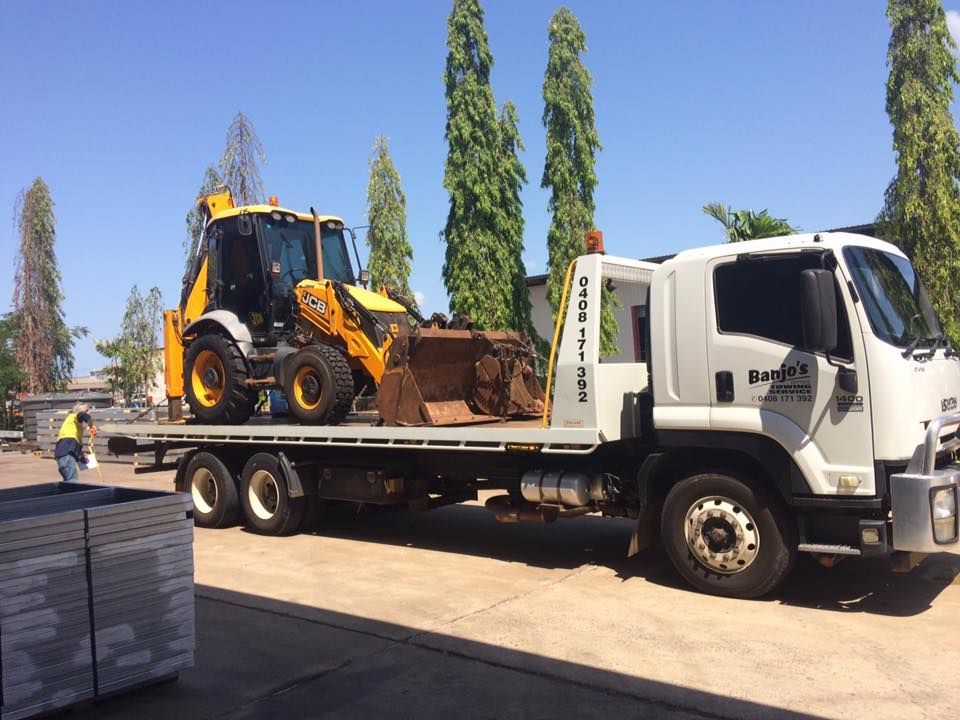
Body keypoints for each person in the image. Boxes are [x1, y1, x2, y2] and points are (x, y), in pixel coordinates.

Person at [54, 403, 98, 482]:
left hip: (64, 454)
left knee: (68, 483)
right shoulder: (74, 416)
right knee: (73, 482)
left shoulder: (74, 426)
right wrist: (91, 426)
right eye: (86, 410)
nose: (88, 412)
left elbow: (73, 441)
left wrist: (80, 453)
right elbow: (84, 416)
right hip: (67, 455)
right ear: (78, 411)